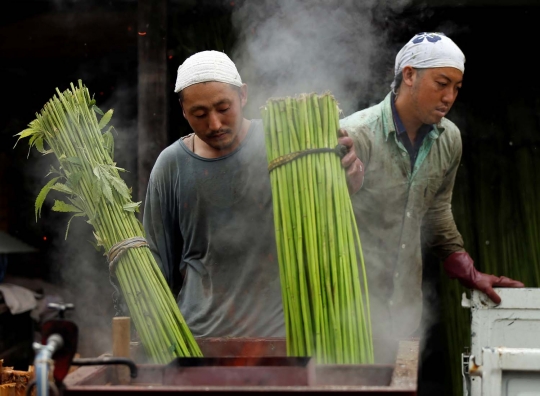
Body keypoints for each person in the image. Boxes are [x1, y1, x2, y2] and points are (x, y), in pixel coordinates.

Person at [142, 50, 363, 338]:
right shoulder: (171, 165)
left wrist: (349, 177)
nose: (215, 124)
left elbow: (329, 216)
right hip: (201, 338)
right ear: (184, 111)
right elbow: (157, 262)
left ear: (243, 96)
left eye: (223, 108)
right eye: (199, 114)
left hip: (286, 336)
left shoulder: (286, 145)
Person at [339, 32, 524, 358]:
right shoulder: (357, 134)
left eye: (456, 87)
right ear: (409, 75)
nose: (450, 96)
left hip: (405, 316)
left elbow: (436, 210)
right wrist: (341, 184)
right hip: (344, 312)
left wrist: (467, 269)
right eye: (441, 83)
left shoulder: (448, 139)